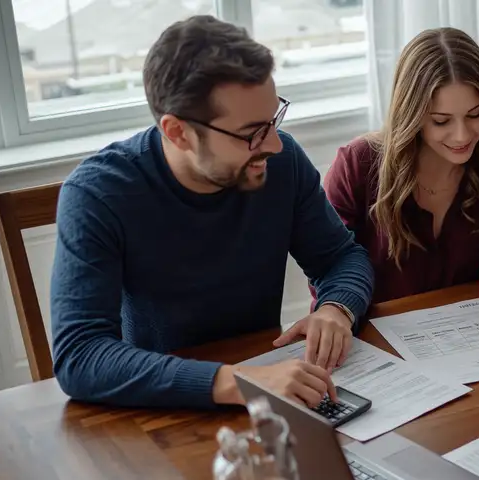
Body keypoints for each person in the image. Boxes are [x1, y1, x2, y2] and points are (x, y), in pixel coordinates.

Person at [50, 15, 374, 410]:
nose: (273, 143)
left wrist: (337, 308)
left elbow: (341, 257)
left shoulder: (282, 163)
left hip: (271, 392)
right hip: (158, 411)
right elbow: (81, 355)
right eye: (252, 132)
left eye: (274, 119)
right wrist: (241, 382)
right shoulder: (98, 193)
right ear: (178, 132)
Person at [322, 27, 479, 303]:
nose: (462, 135)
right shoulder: (358, 165)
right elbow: (330, 267)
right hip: (373, 334)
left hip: (473, 331)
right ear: (411, 115)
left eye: (475, 115)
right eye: (441, 121)